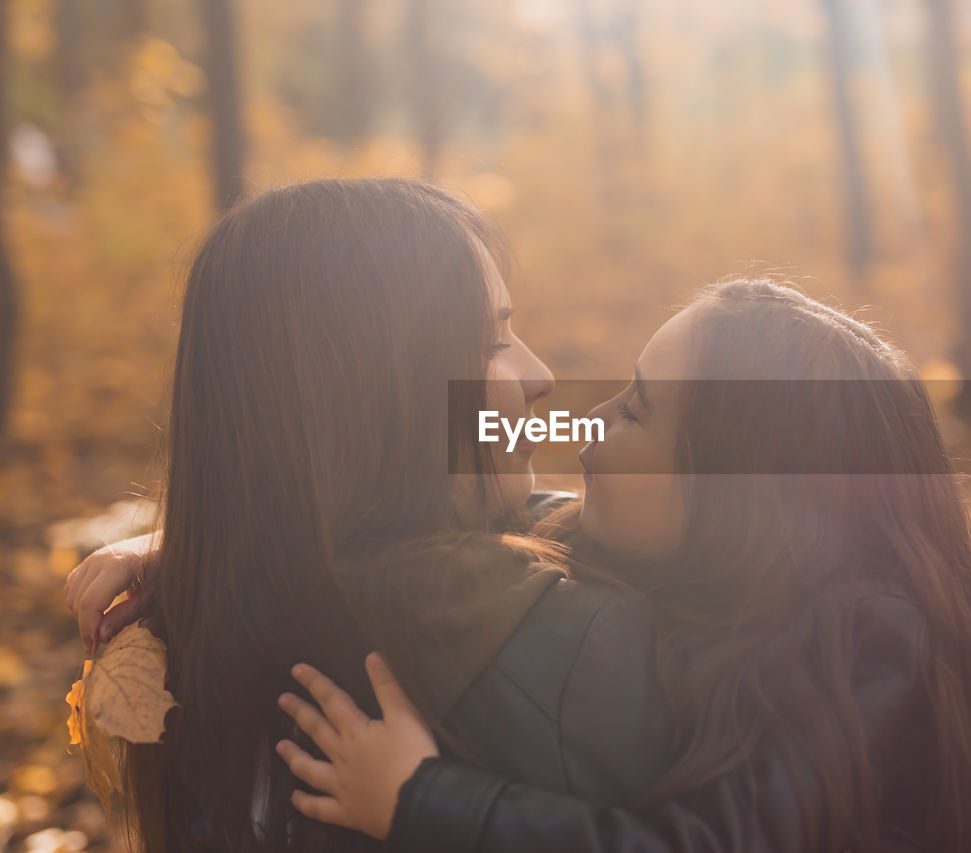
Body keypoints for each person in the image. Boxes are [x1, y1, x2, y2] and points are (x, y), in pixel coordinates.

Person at [274, 278, 971, 853]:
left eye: (634, 408)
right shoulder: (719, 573)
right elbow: (511, 523)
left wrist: (421, 802)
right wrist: (189, 549)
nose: (588, 421)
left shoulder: (868, 638)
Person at [64, 177, 673, 853]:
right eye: (494, 343)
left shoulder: (192, 642)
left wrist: (210, 542)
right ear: (380, 394)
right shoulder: (569, 642)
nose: (541, 375)